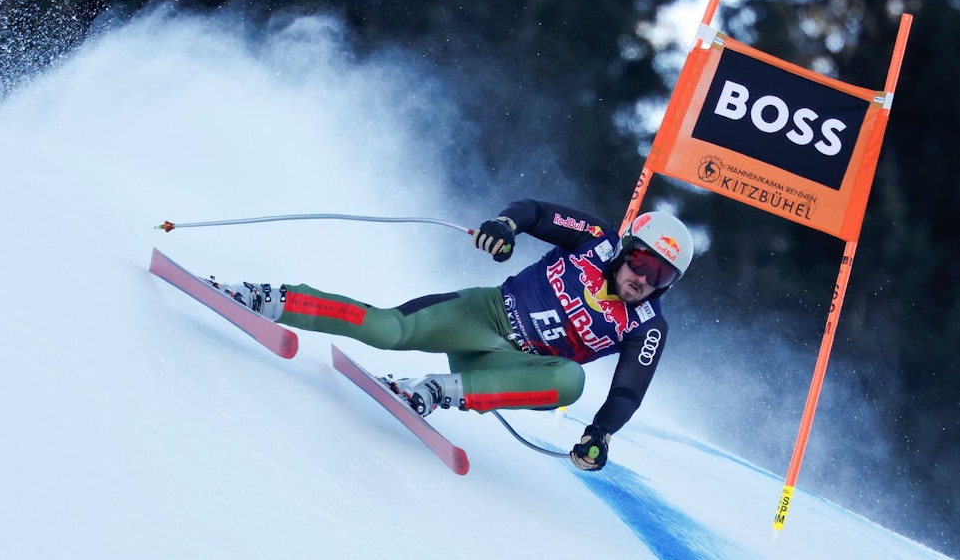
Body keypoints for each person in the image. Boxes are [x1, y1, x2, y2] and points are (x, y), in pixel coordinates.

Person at [212, 199, 694, 471]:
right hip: (484, 314)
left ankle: (438, 391)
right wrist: (503, 227)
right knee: (387, 328)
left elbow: (628, 390)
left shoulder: (648, 323)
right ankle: (269, 298)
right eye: (641, 262)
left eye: (662, 277)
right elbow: (534, 213)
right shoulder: (596, 236)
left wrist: (599, 435)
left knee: (570, 382)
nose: (644, 280)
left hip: (504, 370)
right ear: (625, 249)